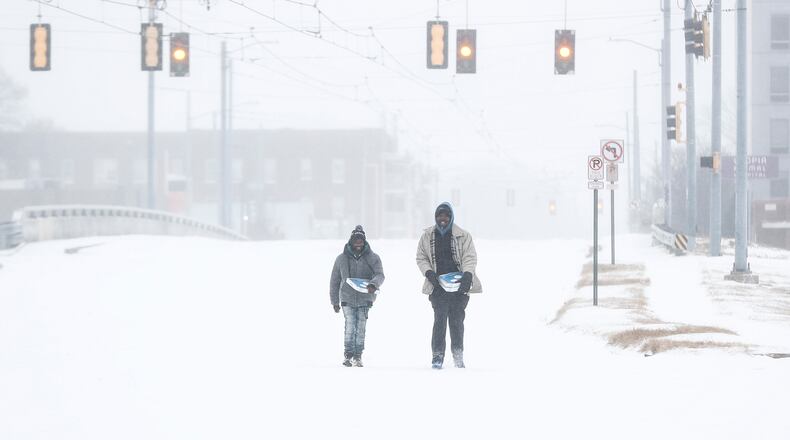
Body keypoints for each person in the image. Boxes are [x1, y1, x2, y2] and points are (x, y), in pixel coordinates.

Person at [416, 202, 482, 369]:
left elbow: (470, 257)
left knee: (457, 322)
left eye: (446, 215)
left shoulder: (463, 236)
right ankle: (437, 356)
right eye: (439, 215)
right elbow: (421, 257)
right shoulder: (427, 236)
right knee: (439, 322)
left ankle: (458, 355)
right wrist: (429, 273)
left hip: (459, 288)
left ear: (451, 216)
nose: (442, 219)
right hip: (437, 287)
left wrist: (468, 274)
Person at [329, 225, 385, 367]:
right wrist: (335, 301)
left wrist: (373, 284)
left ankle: (358, 356)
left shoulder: (373, 258)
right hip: (347, 299)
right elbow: (334, 281)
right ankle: (348, 355)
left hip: (365, 299)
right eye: (356, 240)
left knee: (360, 328)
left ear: (364, 241)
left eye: (361, 240)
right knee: (349, 327)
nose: (358, 243)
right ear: (351, 241)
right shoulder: (341, 259)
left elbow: (380, 275)